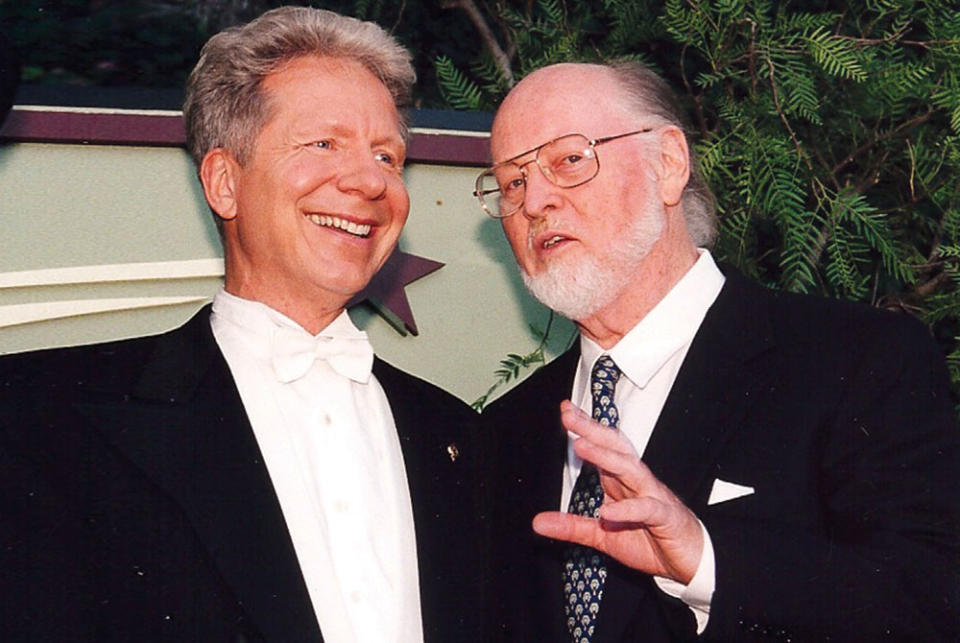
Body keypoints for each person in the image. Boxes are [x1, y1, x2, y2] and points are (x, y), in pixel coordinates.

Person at [0, 7, 483, 642]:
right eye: (324, 144)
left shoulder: (465, 440)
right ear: (225, 183)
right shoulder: (41, 418)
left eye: (388, 156)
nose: (370, 181)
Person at [479, 60, 960, 642]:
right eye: (511, 181)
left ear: (669, 164)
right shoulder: (504, 432)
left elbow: (930, 602)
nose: (534, 202)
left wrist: (707, 562)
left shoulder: (856, 360)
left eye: (569, 161)